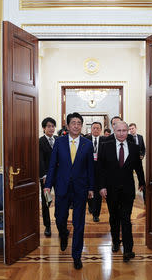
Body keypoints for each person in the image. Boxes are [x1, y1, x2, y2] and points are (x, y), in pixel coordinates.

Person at [44, 112, 95, 270]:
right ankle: (64, 232)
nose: (76, 125)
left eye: (79, 123)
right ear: (67, 125)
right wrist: (48, 185)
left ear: (81, 125)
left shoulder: (87, 144)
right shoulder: (59, 142)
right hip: (62, 187)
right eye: (73, 122)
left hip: (80, 188)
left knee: (79, 223)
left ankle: (77, 255)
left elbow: (90, 169)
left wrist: (91, 187)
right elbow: (53, 165)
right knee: (60, 218)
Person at [98, 121, 145, 262]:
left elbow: (138, 167)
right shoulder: (105, 146)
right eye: (119, 130)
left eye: (125, 130)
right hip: (110, 189)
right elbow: (100, 169)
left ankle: (128, 249)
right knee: (114, 218)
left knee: (126, 218)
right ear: (114, 130)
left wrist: (142, 182)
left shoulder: (134, 147)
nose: (122, 133)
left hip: (127, 190)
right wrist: (101, 186)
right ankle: (115, 242)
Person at [39, 117, 57, 237]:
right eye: (48, 126)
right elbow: (40, 160)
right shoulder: (40, 141)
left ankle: (60, 221)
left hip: (59, 176)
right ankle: (48, 226)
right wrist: (44, 175)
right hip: (46, 178)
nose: (51, 128)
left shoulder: (58, 139)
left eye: (53, 126)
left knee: (61, 199)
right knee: (47, 201)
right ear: (44, 128)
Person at [85, 121, 105, 222]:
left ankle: (96, 214)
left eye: (98, 128)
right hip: (88, 170)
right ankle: (91, 206)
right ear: (91, 129)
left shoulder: (104, 140)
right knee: (89, 191)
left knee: (98, 194)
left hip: (100, 171)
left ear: (101, 130)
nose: (96, 130)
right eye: (94, 128)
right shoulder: (86, 140)